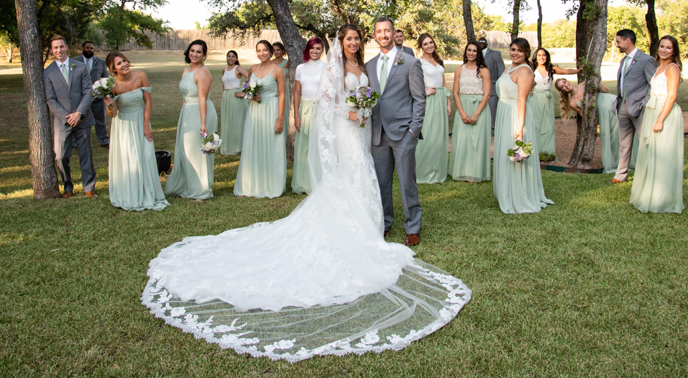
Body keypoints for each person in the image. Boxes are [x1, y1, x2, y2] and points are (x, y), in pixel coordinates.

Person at [141, 25, 470, 361]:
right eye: (349, 38)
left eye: (358, 38)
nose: (354, 42)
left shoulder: (370, 66)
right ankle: (367, 226)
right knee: (356, 174)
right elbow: (328, 103)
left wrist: (369, 112)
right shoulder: (340, 67)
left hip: (369, 130)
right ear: (341, 44)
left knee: (373, 176)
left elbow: (384, 96)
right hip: (349, 129)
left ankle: (385, 225)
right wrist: (353, 113)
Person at [366, 17, 426, 245]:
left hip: (403, 133)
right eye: (379, 31)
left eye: (387, 30)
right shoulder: (369, 65)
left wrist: (413, 131)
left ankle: (413, 226)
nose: (383, 34)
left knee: (406, 182)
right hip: (378, 133)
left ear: (393, 33)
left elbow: (419, 99)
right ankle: (384, 222)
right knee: (381, 183)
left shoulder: (410, 63)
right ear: (374, 36)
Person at [493, 38, 553, 214]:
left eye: (520, 50)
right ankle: (506, 191)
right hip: (504, 112)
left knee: (516, 155)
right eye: (513, 49)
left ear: (526, 52)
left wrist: (519, 128)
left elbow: (521, 100)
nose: (515, 53)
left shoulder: (526, 71)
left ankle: (517, 195)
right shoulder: (509, 67)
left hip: (515, 115)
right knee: (505, 153)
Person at [103, 52, 170, 211]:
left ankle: (148, 193)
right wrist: (109, 103)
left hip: (141, 120)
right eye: (119, 64)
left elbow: (148, 101)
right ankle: (130, 194)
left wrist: (146, 125)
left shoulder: (140, 76)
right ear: (113, 69)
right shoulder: (112, 85)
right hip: (123, 125)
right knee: (130, 158)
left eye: (124, 61)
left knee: (146, 156)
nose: (124, 65)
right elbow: (113, 114)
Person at [630, 36, 685, 213]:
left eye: (668, 48)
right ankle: (649, 194)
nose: (664, 50)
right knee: (651, 152)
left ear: (674, 51)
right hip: (653, 109)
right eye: (662, 46)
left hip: (664, 112)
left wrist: (660, 119)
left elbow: (672, 96)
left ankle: (662, 198)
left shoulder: (672, 68)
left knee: (662, 155)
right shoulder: (658, 66)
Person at [43, 35, 97, 198]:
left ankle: (89, 187)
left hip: (83, 117)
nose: (59, 50)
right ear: (52, 51)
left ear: (67, 47)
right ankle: (68, 186)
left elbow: (89, 91)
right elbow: (50, 99)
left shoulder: (80, 67)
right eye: (55, 48)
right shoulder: (48, 72)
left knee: (85, 154)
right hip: (63, 121)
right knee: (60, 156)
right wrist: (67, 117)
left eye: (61, 46)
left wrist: (79, 113)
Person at [165, 40, 218, 201]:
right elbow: (184, 96)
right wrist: (183, 115)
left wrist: (203, 123)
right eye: (192, 51)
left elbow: (202, 99)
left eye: (199, 52)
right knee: (186, 150)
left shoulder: (203, 72)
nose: (194, 54)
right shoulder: (186, 70)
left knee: (197, 151)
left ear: (204, 55)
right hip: (187, 112)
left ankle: (201, 189)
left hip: (200, 113)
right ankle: (186, 185)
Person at [234, 40, 287, 198]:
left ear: (271, 52)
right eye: (258, 50)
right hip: (255, 112)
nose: (261, 53)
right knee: (253, 143)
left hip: (271, 109)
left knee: (271, 145)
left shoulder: (278, 71)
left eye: (265, 50)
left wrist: (280, 119)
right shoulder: (253, 69)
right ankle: (252, 183)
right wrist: (251, 96)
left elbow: (282, 95)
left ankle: (272, 184)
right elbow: (248, 88)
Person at [555, 78, 634, 173]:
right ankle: (622, 162)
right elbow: (586, 116)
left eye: (564, 82)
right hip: (603, 115)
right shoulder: (572, 102)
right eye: (562, 87)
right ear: (562, 91)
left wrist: (598, 87)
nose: (565, 86)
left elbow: (606, 90)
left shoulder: (584, 84)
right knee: (614, 137)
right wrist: (598, 125)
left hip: (611, 102)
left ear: (567, 81)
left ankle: (634, 158)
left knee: (628, 128)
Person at [611, 29, 656, 184]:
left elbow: (654, 84)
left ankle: (648, 174)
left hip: (639, 108)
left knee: (644, 142)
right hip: (622, 106)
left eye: (618, 42)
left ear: (628, 40)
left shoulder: (646, 60)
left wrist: (645, 103)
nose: (617, 45)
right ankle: (620, 175)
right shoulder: (623, 61)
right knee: (623, 143)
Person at [449, 42, 492, 183]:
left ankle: (475, 173)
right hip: (463, 105)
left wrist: (476, 113)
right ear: (466, 51)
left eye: (474, 51)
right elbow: (455, 93)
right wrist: (461, 112)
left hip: (479, 107)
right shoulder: (459, 70)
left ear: (478, 53)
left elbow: (487, 94)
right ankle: (462, 172)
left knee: (477, 141)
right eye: (469, 50)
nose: (471, 53)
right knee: (463, 140)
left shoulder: (484, 70)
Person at [291, 37, 326, 195]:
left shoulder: (326, 68)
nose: (315, 51)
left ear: (322, 50)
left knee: (318, 146)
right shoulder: (300, 68)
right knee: (304, 147)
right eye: (312, 48)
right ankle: (303, 182)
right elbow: (297, 93)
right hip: (304, 110)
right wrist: (296, 116)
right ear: (307, 50)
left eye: (318, 48)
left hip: (320, 111)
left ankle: (318, 182)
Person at [529, 48, 578, 159]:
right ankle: (533, 152)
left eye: (544, 55)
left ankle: (546, 152)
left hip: (547, 99)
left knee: (548, 126)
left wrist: (578, 71)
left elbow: (566, 71)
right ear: (536, 57)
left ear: (547, 57)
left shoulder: (551, 69)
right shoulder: (531, 68)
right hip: (535, 98)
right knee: (535, 124)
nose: (542, 57)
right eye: (539, 55)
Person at [415, 33, 450, 184]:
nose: (429, 46)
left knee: (439, 135)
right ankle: (424, 171)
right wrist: (425, 91)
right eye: (425, 44)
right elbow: (414, 83)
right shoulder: (419, 62)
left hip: (441, 98)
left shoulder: (438, 60)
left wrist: (448, 102)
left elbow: (444, 82)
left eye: (431, 42)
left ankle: (437, 169)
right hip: (428, 100)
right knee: (428, 134)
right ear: (421, 47)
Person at [73, 40, 110, 148]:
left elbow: (106, 78)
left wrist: (105, 94)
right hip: (81, 97)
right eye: (87, 48)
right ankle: (75, 142)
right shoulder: (75, 61)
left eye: (91, 48)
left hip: (97, 97)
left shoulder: (101, 62)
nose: (89, 50)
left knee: (100, 120)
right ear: (82, 49)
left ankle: (104, 140)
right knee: (78, 120)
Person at [219, 50, 249, 156]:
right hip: (226, 97)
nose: (230, 58)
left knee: (237, 121)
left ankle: (239, 146)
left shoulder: (238, 68)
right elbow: (224, 83)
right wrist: (225, 94)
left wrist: (244, 91)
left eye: (233, 56)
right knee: (228, 121)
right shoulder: (224, 69)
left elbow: (250, 79)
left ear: (236, 58)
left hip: (236, 96)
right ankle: (229, 145)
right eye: (228, 56)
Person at [478, 36, 506, 134]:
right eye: (479, 41)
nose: (481, 43)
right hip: (476, 88)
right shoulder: (474, 53)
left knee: (492, 111)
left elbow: (501, 71)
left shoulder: (495, 54)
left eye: (483, 41)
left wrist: (500, 87)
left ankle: (493, 131)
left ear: (486, 43)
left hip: (492, 88)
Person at [272, 41, 291, 134]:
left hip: (285, 89)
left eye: (278, 50)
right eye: (274, 50)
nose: (276, 52)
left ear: (282, 50)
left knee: (285, 110)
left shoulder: (287, 62)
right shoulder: (270, 63)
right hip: (273, 88)